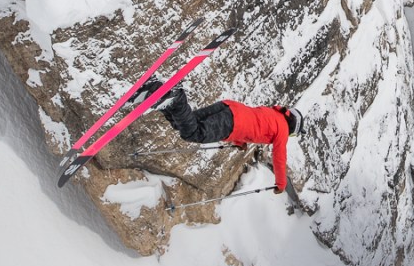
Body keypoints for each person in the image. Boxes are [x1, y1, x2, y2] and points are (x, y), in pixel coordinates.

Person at [130, 78, 303, 194]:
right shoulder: (282, 130)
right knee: (193, 132)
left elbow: (255, 122)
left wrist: (239, 141)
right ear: (293, 128)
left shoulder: (274, 114)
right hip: (232, 123)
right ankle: (177, 97)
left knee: (182, 123)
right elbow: (279, 158)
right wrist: (281, 184)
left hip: (228, 107)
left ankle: (158, 92)